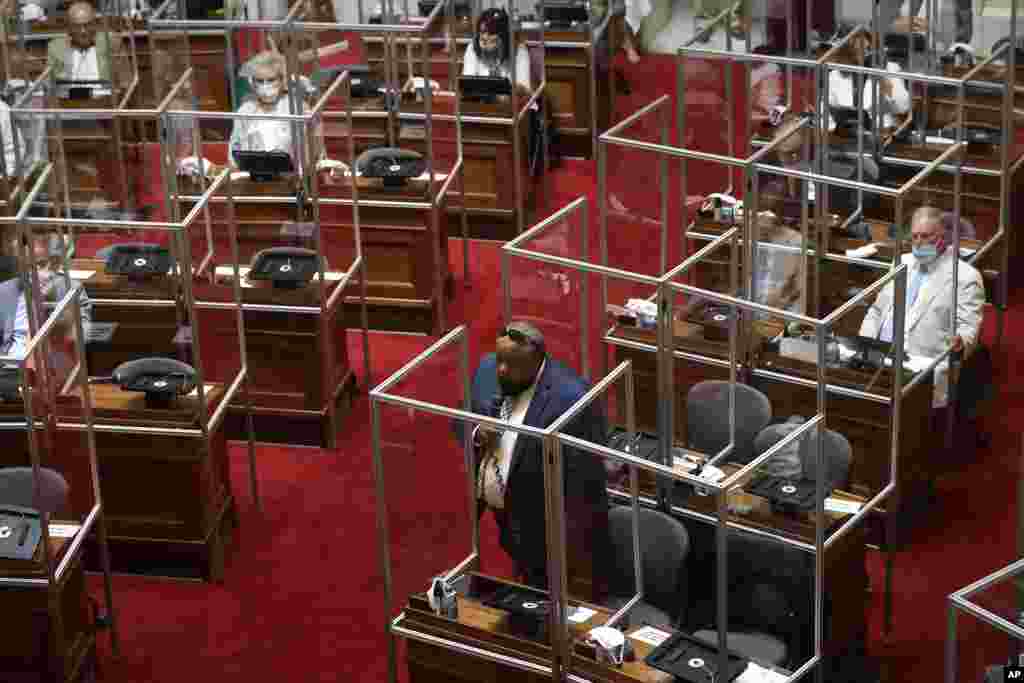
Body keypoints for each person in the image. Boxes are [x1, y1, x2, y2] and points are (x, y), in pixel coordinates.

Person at [466, 322, 608, 589]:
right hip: (500, 512)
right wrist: (477, 433)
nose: (502, 370)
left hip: (543, 523)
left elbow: (584, 481)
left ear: (537, 362)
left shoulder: (572, 398)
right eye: (500, 360)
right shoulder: (487, 371)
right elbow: (461, 419)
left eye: (513, 364)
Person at [859, 206, 984, 410]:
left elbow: (969, 328)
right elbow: (877, 311)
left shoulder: (966, 277)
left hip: (923, 373)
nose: (918, 243)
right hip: (879, 363)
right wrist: (864, 346)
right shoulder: (902, 262)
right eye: (915, 237)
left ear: (943, 236)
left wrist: (961, 342)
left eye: (925, 236)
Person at [1, 234, 92, 360]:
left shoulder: (71, 289)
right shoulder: (5, 290)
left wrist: (62, 319)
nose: (35, 272)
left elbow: (83, 335)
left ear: (53, 264)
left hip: (53, 364)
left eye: (41, 264)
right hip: (10, 366)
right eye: (28, 266)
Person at [229, 51, 320, 168]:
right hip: (252, 176)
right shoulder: (245, 110)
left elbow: (311, 152)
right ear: (252, 82)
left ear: (282, 81)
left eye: (271, 80)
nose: (265, 86)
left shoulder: (297, 108)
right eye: (260, 81)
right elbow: (234, 150)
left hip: (292, 177)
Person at [826, 31, 910, 132]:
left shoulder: (890, 69)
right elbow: (829, 110)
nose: (862, 56)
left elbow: (903, 106)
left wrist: (882, 78)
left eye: (866, 50)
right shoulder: (835, 75)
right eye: (857, 51)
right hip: (848, 135)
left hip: (884, 132)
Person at [462, 8, 531, 96]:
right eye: (482, 32)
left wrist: (503, 88)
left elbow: (525, 90)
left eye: (491, 33)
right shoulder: (472, 47)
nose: (485, 37)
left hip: (514, 104)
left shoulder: (519, 50)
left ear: (504, 36)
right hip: (480, 103)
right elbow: (467, 83)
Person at [46, 2, 113, 86]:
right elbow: (50, 82)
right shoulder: (56, 47)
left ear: (95, 24)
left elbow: (122, 79)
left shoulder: (108, 42)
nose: (83, 31)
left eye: (87, 25)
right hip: (69, 97)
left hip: (103, 96)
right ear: (69, 27)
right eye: (77, 26)